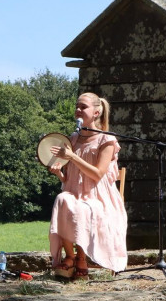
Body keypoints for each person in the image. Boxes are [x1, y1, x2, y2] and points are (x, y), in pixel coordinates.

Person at [47, 92, 128, 279]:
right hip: (74, 192)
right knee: (62, 199)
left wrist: (72, 157)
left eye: (83, 107)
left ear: (97, 112)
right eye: (77, 106)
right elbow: (70, 178)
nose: (77, 110)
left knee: (81, 209)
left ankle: (81, 260)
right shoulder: (73, 139)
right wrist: (59, 173)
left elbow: (97, 174)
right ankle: (71, 256)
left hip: (99, 196)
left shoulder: (107, 140)